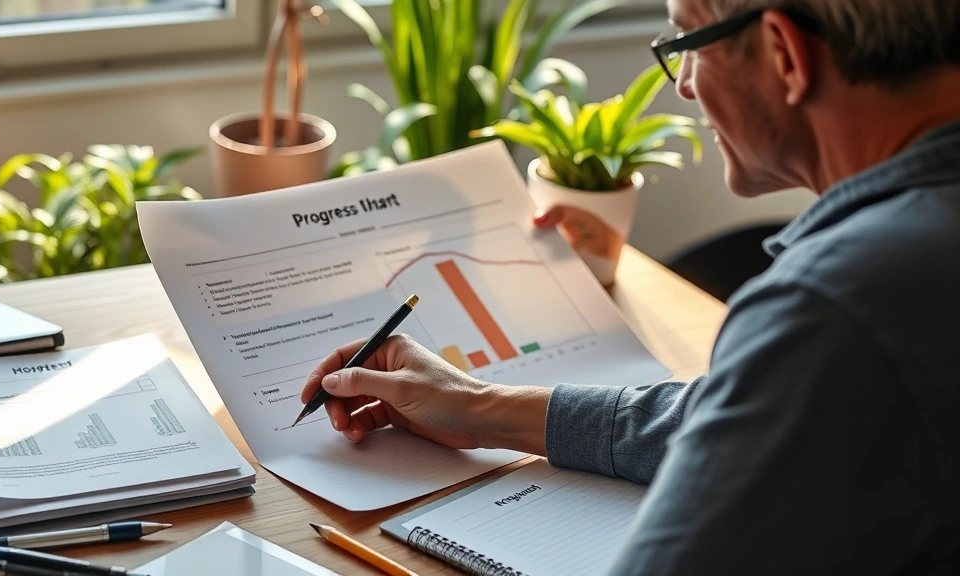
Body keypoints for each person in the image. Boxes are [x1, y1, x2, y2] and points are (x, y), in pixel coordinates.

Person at [301, 0, 960, 573]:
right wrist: (481, 407)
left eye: (684, 45)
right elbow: (736, 417)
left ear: (786, 54)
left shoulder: (835, 312)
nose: (685, 88)